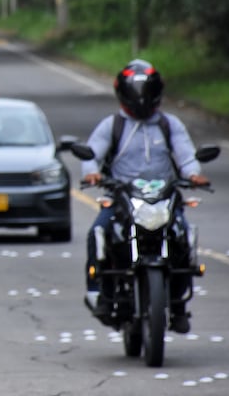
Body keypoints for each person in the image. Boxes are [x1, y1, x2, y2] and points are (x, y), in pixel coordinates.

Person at [81, 59, 209, 334]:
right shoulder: (112, 125)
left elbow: (186, 155)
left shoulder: (169, 124)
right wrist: (92, 173)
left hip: (163, 196)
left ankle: (177, 305)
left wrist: (194, 174)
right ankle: (99, 294)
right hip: (124, 197)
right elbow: (92, 154)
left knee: (183, 237)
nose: (141, 100)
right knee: (98, 232)